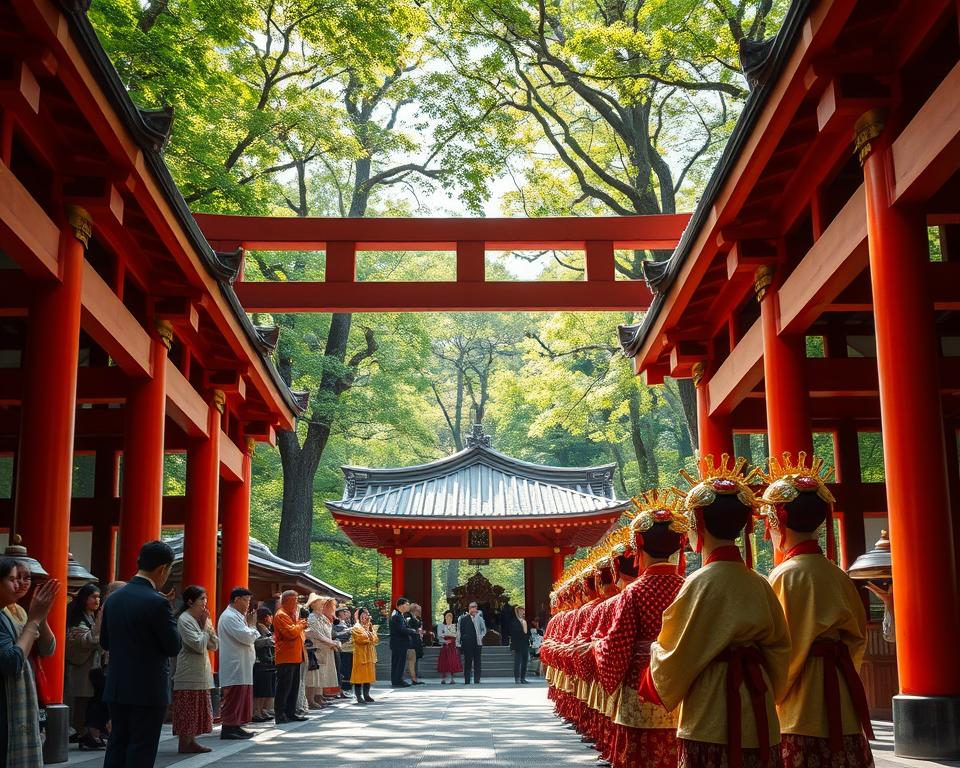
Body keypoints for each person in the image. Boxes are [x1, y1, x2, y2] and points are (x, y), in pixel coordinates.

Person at [643, 456, 791, 768]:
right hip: (758, 704)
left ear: (697, 524)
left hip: (710, 709)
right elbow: (780, 650)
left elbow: (676, 652)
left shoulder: (700, 583)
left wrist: (654, 658)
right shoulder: (759, 583)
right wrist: (771, 694)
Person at [761, 453, 875, 767]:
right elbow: (857, 640)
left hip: (802, 706)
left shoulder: (786, 575)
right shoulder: (838, 575)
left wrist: (771, 697)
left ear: (776, 520)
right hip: (842, 696)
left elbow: (783, 650)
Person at [593, 492, 687, 768]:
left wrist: (597, 649)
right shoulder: (688, 587)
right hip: (680, 685)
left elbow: (617, 645)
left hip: (639, 685)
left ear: (639, 545)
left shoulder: (633, 592)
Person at [101, 540, 182, 768]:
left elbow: (105, 641)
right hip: (147, 688)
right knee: (142, 747)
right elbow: (173, 646)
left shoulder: (113, 599)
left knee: (117, 743)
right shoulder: (158, 603)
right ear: (163, 569)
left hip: (117, 685)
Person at [0, 557, 59, 767]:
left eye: (27, 578)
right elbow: (11, 661)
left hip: (30, 685)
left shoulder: (21, 611)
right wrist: (34, 620)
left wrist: (40, 617)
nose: (22, 583)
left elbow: (48, 648)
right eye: (15, 578)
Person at [172, 585, 219, 754]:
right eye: (202, 599)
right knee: (188, 709)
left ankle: (191, 741)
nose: (205, 603)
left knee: (197, 708)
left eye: (206, 599)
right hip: (188, 671)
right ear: (190, 601)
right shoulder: (184, 619)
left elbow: (214, 645)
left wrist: (207, 625)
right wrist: (205, 626)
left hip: (200, 670)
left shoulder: (200, 619)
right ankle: (185, 742)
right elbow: (198, 645)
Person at [64, 583, 105, 750]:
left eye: (98, 596)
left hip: (92, 667)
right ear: (84, 599)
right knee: (82, 700)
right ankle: (82, 732)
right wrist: (101, 621)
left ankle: (89, 731)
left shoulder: (91, 617)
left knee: (91, 700)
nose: (97, 600)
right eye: (93, 596)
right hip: (81, 667)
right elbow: (89, 640)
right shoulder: (77, 619)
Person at [217, 586, 259, 739]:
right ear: (237, 600)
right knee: (234, 695)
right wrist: (254, 627)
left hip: (242, 663)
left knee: (241, 695)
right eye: (246, 600)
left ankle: (236, 725)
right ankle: (228, 727)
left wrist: (251, 630)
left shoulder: (236, 616)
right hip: (235, 663)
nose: (248, 604)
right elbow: (246, 637)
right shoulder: (229, 616)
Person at [273, 590, 308, 722]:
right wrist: (300, 625)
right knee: (284, 687)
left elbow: (296, 630)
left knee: (293, 687)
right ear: (287, 601)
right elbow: (291, 633)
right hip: (286, 657)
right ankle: (280, 714)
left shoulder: (291, 614)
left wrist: (299, 624)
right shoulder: (281, 615)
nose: (297, 603)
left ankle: (290, 712)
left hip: (295, 656)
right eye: (295, 600)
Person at [306, 595, 341, 708]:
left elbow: (327, 634)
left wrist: (334, 642)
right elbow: (316, 634)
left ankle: (319, 696)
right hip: (317, 648)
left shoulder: (323, 618)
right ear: (312, 604)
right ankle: (312, 699)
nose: (322, 604)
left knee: (323, 674)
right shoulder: (311, 617)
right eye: (320, 603)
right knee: (315, 675)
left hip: (326, 648)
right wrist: (332, 643)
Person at [349, 606, 379, 704]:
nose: (366, 615)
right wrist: (370, 636)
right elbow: (361, 639)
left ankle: (366, 695)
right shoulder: (356, 627)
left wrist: (370, 634)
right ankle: (358, 696)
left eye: (367, 613)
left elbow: (375, 639)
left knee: (368, 675)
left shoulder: (369, 626)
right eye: (364, 613)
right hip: (360, 654)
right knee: (359, 676)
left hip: (369, 654)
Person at [252, 607, 277, 722]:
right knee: (260, 689)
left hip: (268, 660)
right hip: (260, 661)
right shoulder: (257, 627)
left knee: (266, 688)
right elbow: (256, 642)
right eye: (270, 616)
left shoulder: (266, 628)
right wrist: (270, 640)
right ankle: (256, 711)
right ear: (266, 617)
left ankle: (262, 709)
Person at [388, 598, 417, 687]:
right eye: (407, 604)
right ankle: (398, 680)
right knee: (399, 663)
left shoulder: (398, 614)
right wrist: (413, 631)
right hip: (399, 643)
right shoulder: (397, 615)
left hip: (398, 643)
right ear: (401, 605)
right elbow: (401, 629)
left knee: (397, 662)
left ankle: (396, 680)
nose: (408, 606)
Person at [456, 601, 486, 684]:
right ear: (469, 609)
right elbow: (460, 631)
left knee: (477, 662)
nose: (473, 608)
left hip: (477, 643)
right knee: (468, 662)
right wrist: (459, 642)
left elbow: (484, 629)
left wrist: (481, 636)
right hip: (467, 643)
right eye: (471, 607)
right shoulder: (463, 618)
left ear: (476, 608)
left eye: (475, 607)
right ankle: (467, 680)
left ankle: (477, 680)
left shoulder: (479, 618)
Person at [436, 610, 461, 684]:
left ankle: (452, 679)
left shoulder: (455, 626)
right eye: (447, 617)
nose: (449, 618)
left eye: (450, 617)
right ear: (445, 618)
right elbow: (439, 636)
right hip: (445, 646)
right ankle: (443, 678)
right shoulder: (441, 626)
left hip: (452, 646)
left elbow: (457, 636)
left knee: (452, 662)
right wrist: (444, 641)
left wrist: (457, 644)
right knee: (444, 662)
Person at [333, 606, 354, 694]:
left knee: (347, 669)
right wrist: (349, 631)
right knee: (344, 669)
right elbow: (336, 634)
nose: (346, 613)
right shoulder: (337, 622)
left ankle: (345, 688)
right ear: (339, 613)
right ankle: (343, 688)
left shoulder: (344, 622)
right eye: (343, 611)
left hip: (347, 648)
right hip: (342, 649)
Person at [405, 603, 425, 685]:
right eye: (418, 610)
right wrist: (417, 631)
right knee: (412, 660)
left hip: (417, 641)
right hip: (411, 641)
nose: (420, 612)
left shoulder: (418, 619)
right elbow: (409, 629)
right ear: (414, 610)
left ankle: (414, 677)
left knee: (416, 660)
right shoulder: (409, 618)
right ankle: (413, 679)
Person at [510, 605, 530, 684]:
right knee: (521, 661)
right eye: (522, 611)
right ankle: (519, 678)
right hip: (520, 643)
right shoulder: (518, 621)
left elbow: (526, 632)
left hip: (520, 643)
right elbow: (523, 632)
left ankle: (520, 678)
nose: (523, 612)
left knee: (521, 661)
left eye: (523, 611)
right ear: (518, 611)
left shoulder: (518, 621)